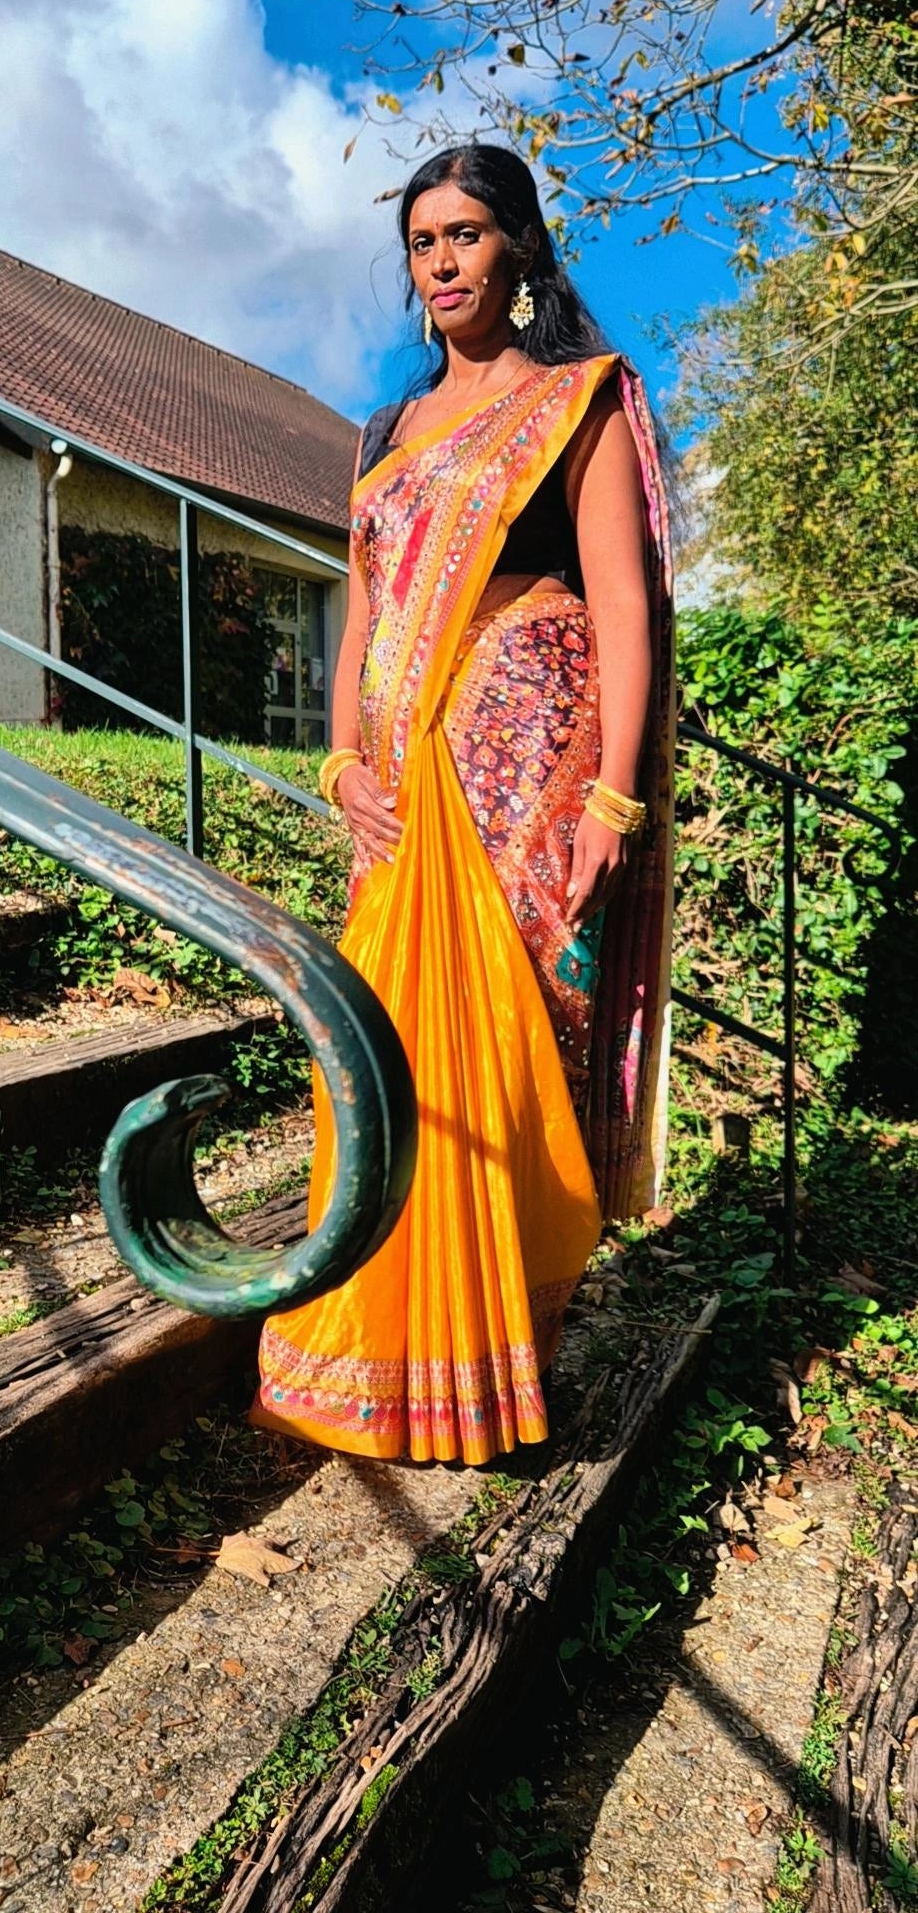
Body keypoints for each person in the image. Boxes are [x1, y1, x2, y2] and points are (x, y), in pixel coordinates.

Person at [250, 143, 674, 1467]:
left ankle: (501, 1358)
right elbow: (366, 620)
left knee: (513, 1050)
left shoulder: (576, 403)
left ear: (521, 252)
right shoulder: (384, 437)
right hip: (408, 787)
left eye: (467, 235)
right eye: (423, 241)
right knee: (386, 1047)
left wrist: (614, 798)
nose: (441, 262)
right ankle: (390, 1346)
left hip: (540, 769)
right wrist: (344, 766)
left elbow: (624, 604)